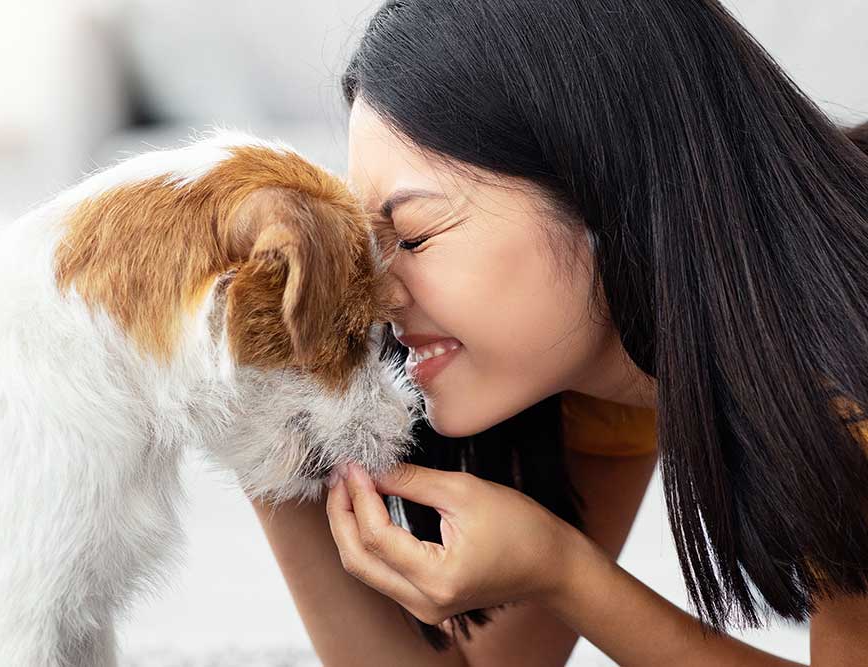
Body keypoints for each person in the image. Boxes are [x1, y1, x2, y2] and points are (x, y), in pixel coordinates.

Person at [252, 1, 868, 664]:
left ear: (601, 183)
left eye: (413, 235)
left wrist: (564, 571)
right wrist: (260, 424)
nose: (379, 296)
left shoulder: (842, 387)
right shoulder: (609, 377)